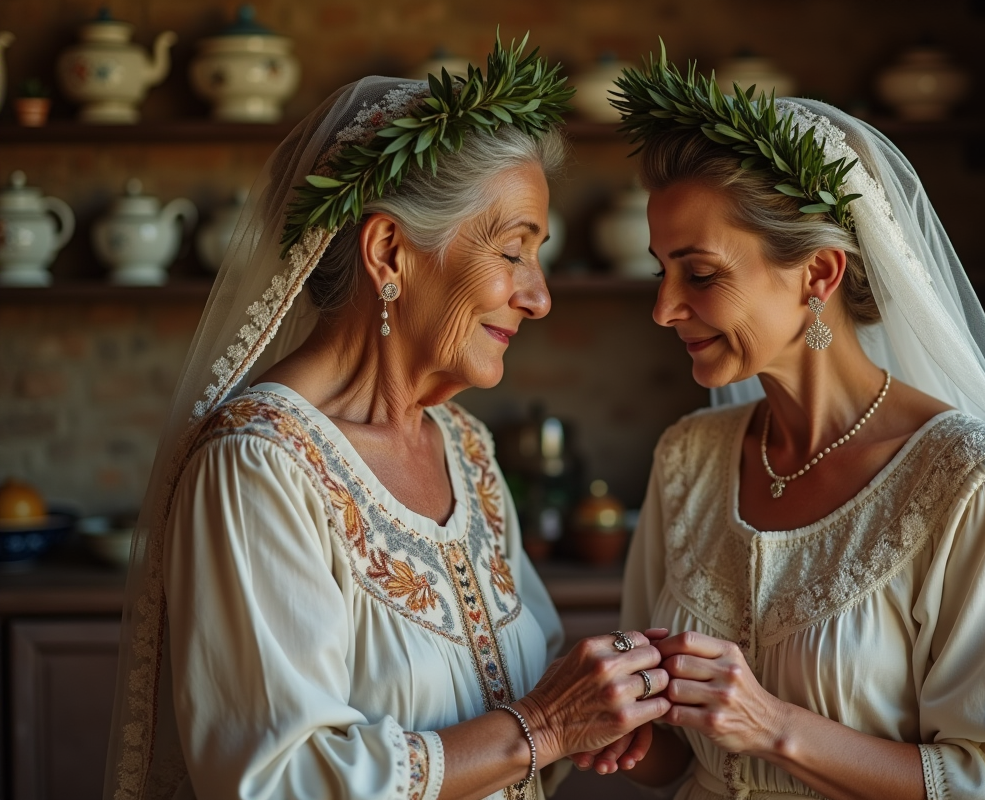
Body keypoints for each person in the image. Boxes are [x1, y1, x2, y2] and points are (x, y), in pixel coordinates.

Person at [102, 38, 671, 800]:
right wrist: (542, 726)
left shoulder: (466, 448)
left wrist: (615, 697)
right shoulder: (258, 466)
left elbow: (539, 697)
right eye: (513, 252)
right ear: (389, 252)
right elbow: (276, 781)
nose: (538, 297)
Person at [580, 51, 985, 800]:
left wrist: (771, 725)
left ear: (818, 274)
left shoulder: (976, 480)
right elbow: (677, 757)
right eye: (661, 270)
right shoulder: (687, 457)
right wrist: (615, 721)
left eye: (701, 273)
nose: (664, 309)